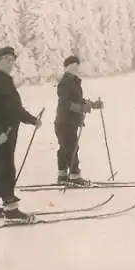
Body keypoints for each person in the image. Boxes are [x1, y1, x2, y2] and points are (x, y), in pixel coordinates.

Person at [0, 46, 42, 222]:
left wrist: (32, 120)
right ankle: (11, 209)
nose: (10, 62)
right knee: (6, 168)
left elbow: (15, 109)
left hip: (9, 133)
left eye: (13, 59)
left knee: (0, 166)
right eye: (6, 58)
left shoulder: (6, 81)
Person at [54, 56, 103, 185]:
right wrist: (81, 108)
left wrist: (93, 104)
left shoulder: (74, 83)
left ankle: (62, 175)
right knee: (71, 147)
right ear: (67, 68)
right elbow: (66, 103)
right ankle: (75, 176)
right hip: (65, 122)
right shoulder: (65, 83)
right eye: (73, 65)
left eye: (77, 65)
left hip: (68, 122)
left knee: (65, 148)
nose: (76, 68)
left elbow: (78, 100)